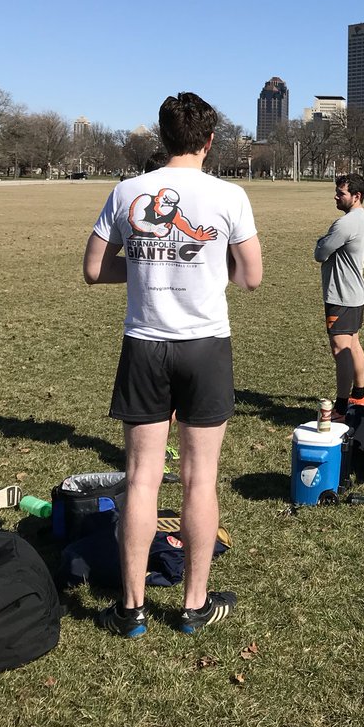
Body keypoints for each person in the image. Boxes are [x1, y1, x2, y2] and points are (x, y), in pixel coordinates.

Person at [83, 92, 262, 637]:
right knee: (199, 479)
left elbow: (94, 269)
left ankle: (131, 609)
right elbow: (251, 276)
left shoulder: (125, 192)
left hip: (144, 345)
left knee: (141, 480)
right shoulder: (229, 196)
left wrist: (140, 273)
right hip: (204, 345)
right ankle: (193, 605)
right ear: (210, 141)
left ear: (162, 139)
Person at [314, 173, 364, 421]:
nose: (336, 196)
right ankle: (358, 395)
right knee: (353, 343)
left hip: (342, 294)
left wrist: (320, 242)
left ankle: (341, 407)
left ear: (356, 196)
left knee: (341, 349)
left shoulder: (345, 223)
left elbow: (320, 252)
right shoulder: (360, 217)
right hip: (354, 293)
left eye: (341, 193)